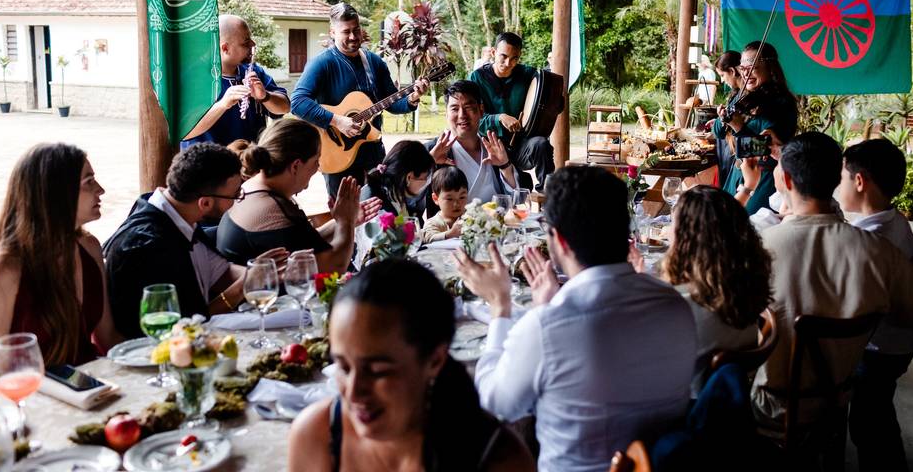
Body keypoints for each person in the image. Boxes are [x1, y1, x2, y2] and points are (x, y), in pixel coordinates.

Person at [456, 166, 696, 472]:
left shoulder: (547, 328)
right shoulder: (674, 304)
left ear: (560, 240)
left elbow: (494, 404)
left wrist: (499, 306)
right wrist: (554, 306)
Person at [752, 133, 913, 428]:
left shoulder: (757, 248)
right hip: (836, 401)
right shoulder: (881, 252)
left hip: (766, 405)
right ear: (835, 181)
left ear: (786, 182)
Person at [288, 260, 535, 472]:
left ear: (435, 360)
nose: (353, 392)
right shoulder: (317, 436)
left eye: (377, 371)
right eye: (343, 367)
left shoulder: (499, 459)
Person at [104, 143, 286, 339]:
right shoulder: (149, 246)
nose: (237, 200)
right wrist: (244, 286)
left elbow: (220, 271)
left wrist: (262, 272)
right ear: (205, 203)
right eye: (235, 194)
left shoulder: (178, 215)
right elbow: (188, 325)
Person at [0, 144, 123, 366]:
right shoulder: (4, 269)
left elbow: (108, 337)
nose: (100, 190)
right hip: (30, 397)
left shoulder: (89, 247)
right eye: (89, 182)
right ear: (55, 192)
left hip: (91, 389)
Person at [840, 139, 913, 472]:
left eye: (842, 177)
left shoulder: (864, 239)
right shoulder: (896, 221)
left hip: (878, 346)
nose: (839, 184)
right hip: (901, 341)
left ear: (859, 182)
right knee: (877, 410)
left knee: (868, 423)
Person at [291, 2, 428, 197]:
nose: (354, 37)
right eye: (346, 32)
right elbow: (297, 103)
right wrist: (338, 120)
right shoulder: (322, 63)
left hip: (373, 152)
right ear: (332, 32)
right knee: (346, 218)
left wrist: (413, 98)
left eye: (357, 30)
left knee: (380, 213)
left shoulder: (374, 62)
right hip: (337, 154)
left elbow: (391, 101)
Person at [216, 119, 379, 272]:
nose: (318, 168)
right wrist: (346, 222)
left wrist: (340, 222)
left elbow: (299, 241)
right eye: (316, 161)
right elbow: (334, 265)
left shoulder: (255, 188)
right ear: (295, 166)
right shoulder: (273, 209)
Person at [662, 185, 772, 396]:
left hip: (688, 411)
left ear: (686, 239)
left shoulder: (680, 306)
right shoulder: (743, 288)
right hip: (729, 407)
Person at [181, 15, 290, 148]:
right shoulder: (194, 78)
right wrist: (223, 105)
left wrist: (265, 96)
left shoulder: (254, 71)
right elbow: (184, 131)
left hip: (250, 163)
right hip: (208, 164)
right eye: (245, 43)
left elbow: (285, 107)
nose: (253, 44)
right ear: (225, 48)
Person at [469, 32, 554, 191]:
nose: (508, 63)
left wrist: (554, 104)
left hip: (521, 145)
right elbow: (473, 121)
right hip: (491, 149)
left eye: (514, 58)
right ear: (494, 52)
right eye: (503, 56)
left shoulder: (528, 74)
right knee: (507, 189)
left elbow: (548, 97)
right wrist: (499, 118)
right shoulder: (476, 78)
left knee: (541, 145)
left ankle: (549, 192)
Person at [722, 42, 798, 215]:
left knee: (746, 224)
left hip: (762, 176)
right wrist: (723, 119)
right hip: (738, 172)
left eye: (752, 67)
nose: (745, 73)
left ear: (770, 68)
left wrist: (738, 127)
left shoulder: (781, 103)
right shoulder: (743, 96)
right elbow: (718, 132)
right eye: (742, 68)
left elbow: (764, 147)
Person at [425, 80, 517, 207]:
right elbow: (411, 199)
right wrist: (429, 164)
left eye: (468, 108)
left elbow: (517, 201)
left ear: (481, 110)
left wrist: (505, 166)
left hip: (497, 223)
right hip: (450, 226)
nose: (462, 115)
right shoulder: (431, 151)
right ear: (446, 113)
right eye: (455, 109)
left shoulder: (496, 147)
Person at [359, 140, 434, 223]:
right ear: (409, 177)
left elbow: (404, 222)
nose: (427, 181)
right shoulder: (375, 203)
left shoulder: (395, 192)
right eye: (425, 177)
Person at [711, 51, 742, 188]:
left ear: (732, 71)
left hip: (737, 155)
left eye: (723, 75)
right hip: (731, 151)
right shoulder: (736, 96)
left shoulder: (743, 96)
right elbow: (718, 131)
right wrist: (721, 119)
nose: (722, 80)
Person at [422, 167, 469, 243]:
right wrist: (449, 234)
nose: (456, 204)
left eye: (462, 197)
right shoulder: (433, 222)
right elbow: (428, 238)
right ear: (436, 199)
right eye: (450, 199)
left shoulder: (472, 217)